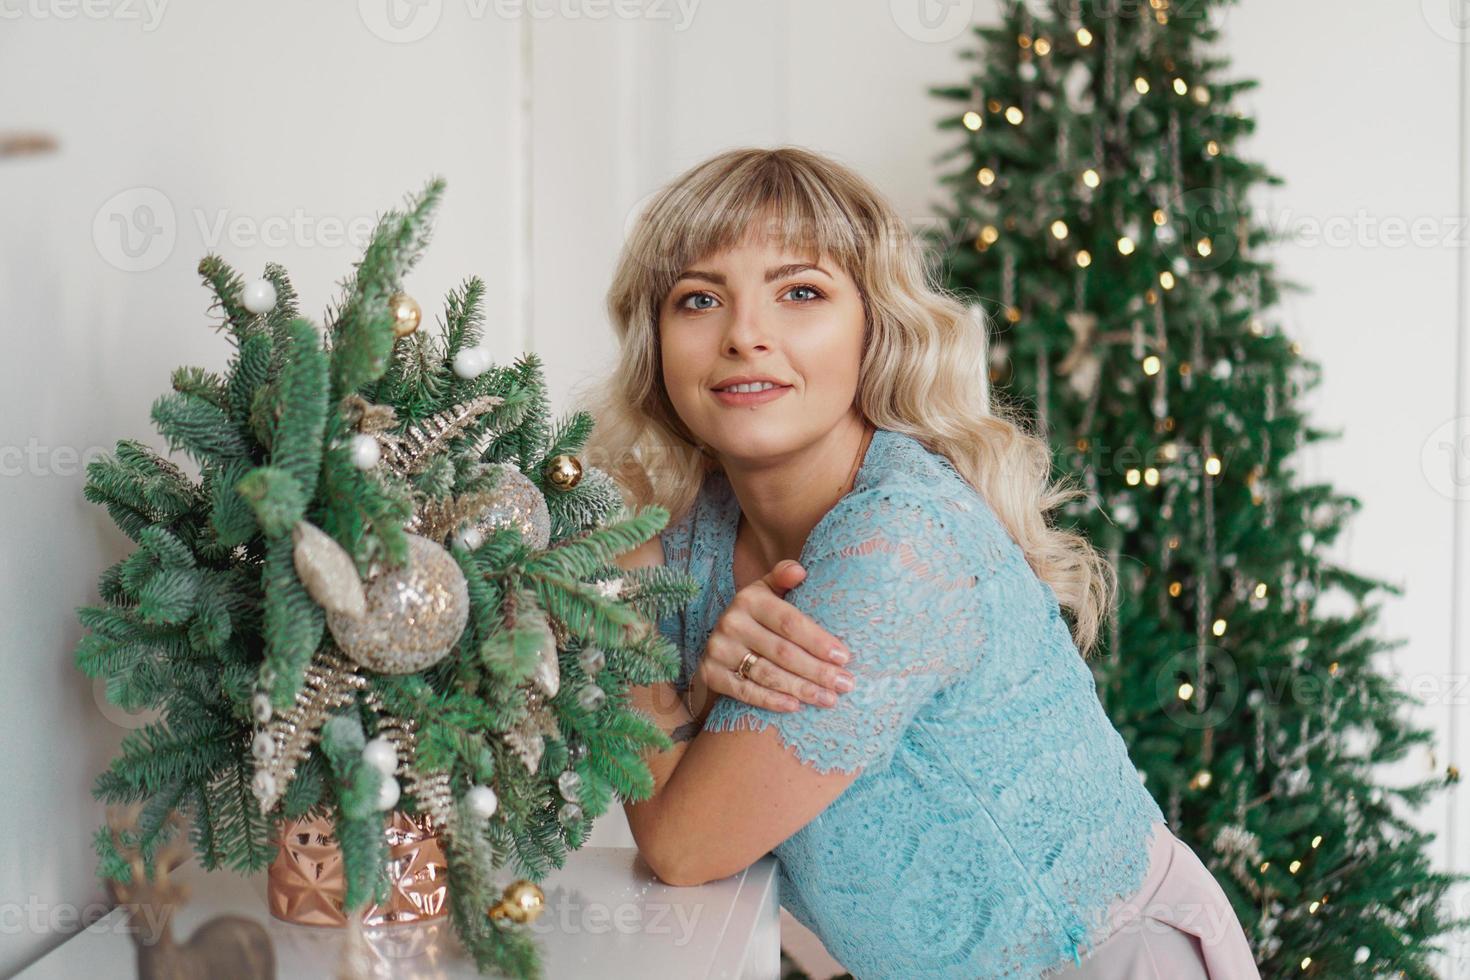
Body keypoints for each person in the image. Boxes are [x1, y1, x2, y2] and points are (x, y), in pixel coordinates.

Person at [589, 145, 1259, 979]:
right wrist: (654, 644)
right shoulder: (701, 536)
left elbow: (685, 843)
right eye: (699, 299)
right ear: (657, 343)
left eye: (801, 292)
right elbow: (639, 676)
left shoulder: (898, 546)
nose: (745, 336)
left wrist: (627, 625)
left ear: (876, 331)